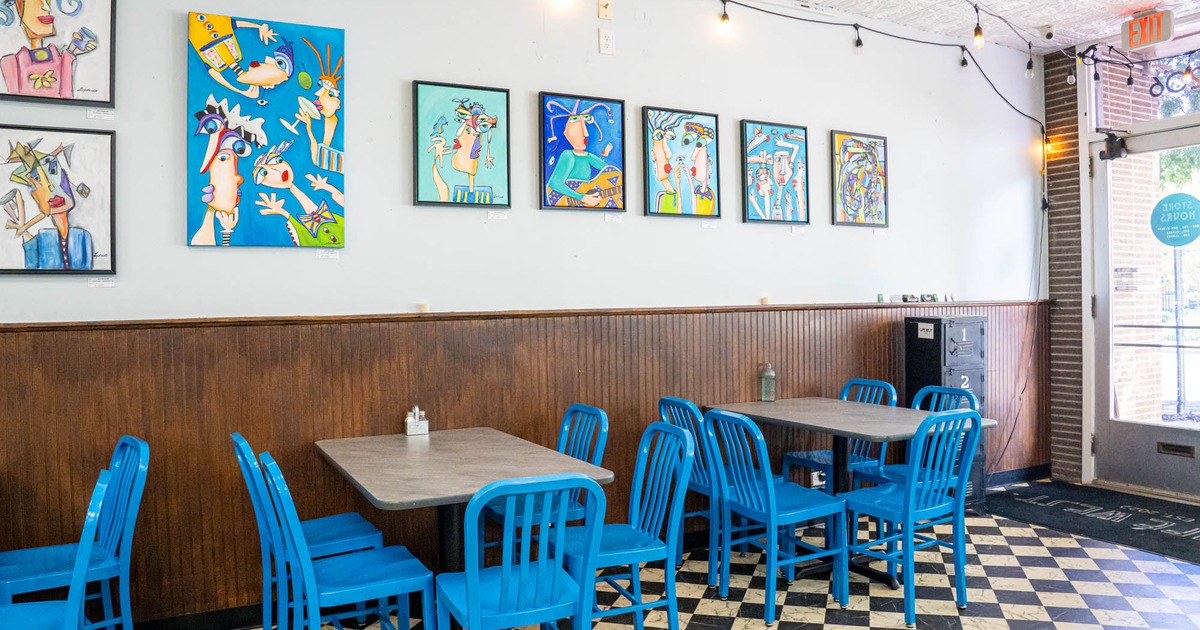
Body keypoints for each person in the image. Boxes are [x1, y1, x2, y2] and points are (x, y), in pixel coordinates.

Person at [3, 139, 91, 269]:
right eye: (37, 181)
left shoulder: (83, 237)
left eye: (55, 175)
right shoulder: (41, 240)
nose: (51, 190)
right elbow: (31, 272)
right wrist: (24, 231)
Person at [0, 0, 99, 99]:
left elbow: (66, 100)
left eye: (48, 1)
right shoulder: (10, 63)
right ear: (19, 6)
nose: (47, 8)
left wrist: (71, 53)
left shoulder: (62, 60)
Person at [187, 12, 293, 100]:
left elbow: (212, 71)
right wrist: (258, 26)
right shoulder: (236, 54)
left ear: (268, 85)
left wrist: (242, 92)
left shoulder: (222, 64)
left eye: (277, 63)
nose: (267, 59)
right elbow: (232, 24)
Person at [544, 99, 617, 208]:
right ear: (567, 134)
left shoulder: (588, 156)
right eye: (579, 131)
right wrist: (582, 197)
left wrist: (605, 155)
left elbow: (609, 171)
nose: (585, 134)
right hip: (570, 201)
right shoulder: (568, 155)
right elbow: (555, 183)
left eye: (585, 128)